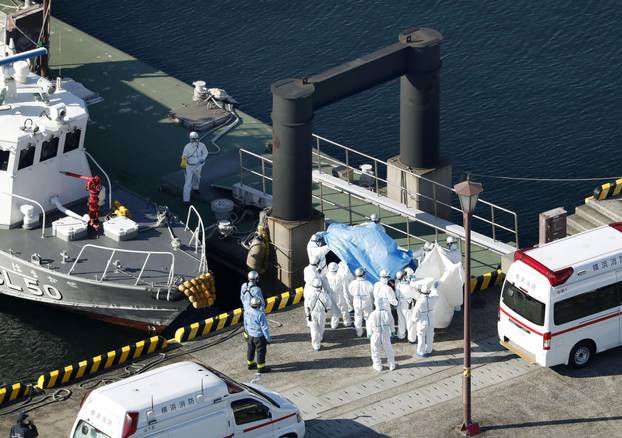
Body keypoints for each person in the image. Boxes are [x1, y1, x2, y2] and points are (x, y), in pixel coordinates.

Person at [366, 298, 396, 371]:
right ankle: (391, 364)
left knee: (375, 349)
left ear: (375, 304)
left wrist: (369, 333)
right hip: (385, 333)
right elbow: (392, 322)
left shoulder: (373, 314)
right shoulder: (387, 312)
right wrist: (392, 331)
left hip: (376, 333)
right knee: (388, 349)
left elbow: (369, 324)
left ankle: (378, 365)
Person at [244, 297, 272, 373]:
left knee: (250, 349)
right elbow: (264, 328)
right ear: (258, 305)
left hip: (250, 335)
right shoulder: (260, 314)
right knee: (260, 352)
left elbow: (245, 323)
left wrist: (246, 332)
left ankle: (250, 364)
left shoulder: (246, 311)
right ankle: (261, 368)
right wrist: (268, 338)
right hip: (259, 337)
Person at [180, 131, 208, 205]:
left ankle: (195, 188)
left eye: (196, 138)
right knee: (188, 183)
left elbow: (205, 152)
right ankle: (186, 200)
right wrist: (184, 164)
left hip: (198, 165)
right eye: (193, 139)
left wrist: (203, 158)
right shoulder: (187, 147)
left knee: (197, 178)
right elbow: (184, 157)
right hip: (189, 167)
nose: (195, 140)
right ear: (190, 139)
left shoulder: (202, 145)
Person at [412, 283, 439, 357]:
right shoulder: (432, 299)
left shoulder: (419, 302)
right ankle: (429, 350)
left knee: (421, 337)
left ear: (421, 292)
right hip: (431, 320)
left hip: (422, 321)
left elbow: (415, 313)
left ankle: (421, 351)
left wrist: (414, 320)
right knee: (430, 336)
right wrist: (434, 288)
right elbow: (437, 296)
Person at [304, 278, 331, 351]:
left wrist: (307, 314)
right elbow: (329, 305)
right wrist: (326, 310)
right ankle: (320, 337)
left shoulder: (309, 294)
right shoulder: (325, 295)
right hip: (321, 313)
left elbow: (306, 306)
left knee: (314, 329)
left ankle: (316, 345)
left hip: (312, 313)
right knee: (321, 327)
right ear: (321, 286)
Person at [322, 262, 351, 328]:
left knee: (334, 311)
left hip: (330, 295)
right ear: (336, 268)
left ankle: (334, 324)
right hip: (339, 295)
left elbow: (322, 283)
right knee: (344, 309)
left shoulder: (325, 276)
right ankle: (347, 322)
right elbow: (346, 274)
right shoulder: (339, 276)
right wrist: (346, 265)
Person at [348, 268, 374, 337]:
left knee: (358, 317)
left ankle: (359, 333)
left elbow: (350, 292)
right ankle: (369, 333)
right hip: (366, 302)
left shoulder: (352, 283)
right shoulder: (368, 283)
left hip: (356, 302)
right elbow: (371, 292)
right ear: (363, 274)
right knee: (368, 318)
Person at [394, 270, 411, 340]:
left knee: (401, 320)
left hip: (399, 304)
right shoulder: (407, 285)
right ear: (403, 277)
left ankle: (401, 335)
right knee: (409, 320)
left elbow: (397, 295)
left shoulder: (397, 284)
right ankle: (411, 337)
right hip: (406, 304)